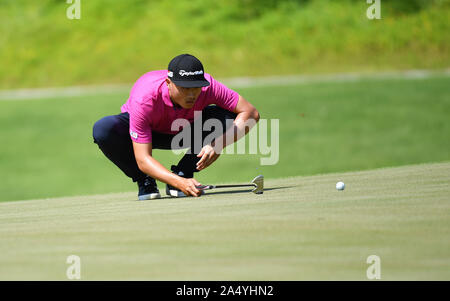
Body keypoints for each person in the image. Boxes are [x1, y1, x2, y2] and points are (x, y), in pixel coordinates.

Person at [92, 54, 260, 199]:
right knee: (103, 129)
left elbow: (251, 113)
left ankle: (184, 172)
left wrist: (219, 144)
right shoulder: (145, 97)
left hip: (185, 130)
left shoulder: (208, 86)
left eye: (196, 88)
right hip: (148, 132)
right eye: (184, 88)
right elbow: (143, 159)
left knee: (227, 117)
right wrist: (177, 182)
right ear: (168, 82)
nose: (192, 94)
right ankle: (145, 180)